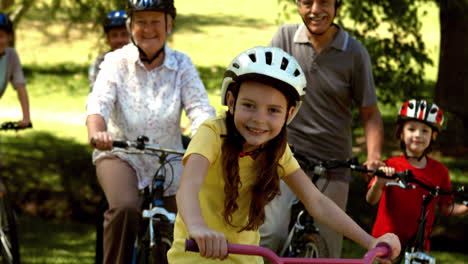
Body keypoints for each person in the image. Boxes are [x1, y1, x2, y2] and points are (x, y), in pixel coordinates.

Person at [167, 46, 400, 264]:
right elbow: (188, 186)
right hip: (195, 253)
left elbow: (316, 201)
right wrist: (198, 228)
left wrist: (371, 241)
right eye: (249, 105)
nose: (259, 119)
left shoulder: (275, 149)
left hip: (246, 259)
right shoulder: (213, 133)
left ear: (289, 113)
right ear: (231, 101)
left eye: (273, 111)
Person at [85, 0, 215, 263]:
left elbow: (200, 108)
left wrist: (204, 134)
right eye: (140, 21)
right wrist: (98, 132)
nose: (148, 29)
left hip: (170, 155)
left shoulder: (182, 64)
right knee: (123, 208)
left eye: (155, 21)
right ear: (130, 25)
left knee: (186, 218)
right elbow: (98, 104)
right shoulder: (115, 61)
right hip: (120, 153)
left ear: (169, 24)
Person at [259, 0, 385, 258]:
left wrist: (373, 156)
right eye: (307, 2)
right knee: (270, 234)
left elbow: (370, 113)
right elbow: (262, 91)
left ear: (337, 5)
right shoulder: (284, 38)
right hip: (286, 156)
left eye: (325, 2)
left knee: (327, 249)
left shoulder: (354, 53)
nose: (316, 10)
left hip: (334, 165)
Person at [366, 99, 468, 263]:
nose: (418, 135)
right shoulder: (390, 165)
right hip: (385, 241)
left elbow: (446, 207)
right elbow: (371, 199)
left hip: (418, 244)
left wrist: (465, 207)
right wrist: (379, 182)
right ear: (401, 133)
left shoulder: (440, 171)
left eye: (425, 131)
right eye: (411, 129)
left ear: (433, 135)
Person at [0, 13, 31, 127]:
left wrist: (26, 117)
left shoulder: (11, 56)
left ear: (9, 37)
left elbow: (20, 87)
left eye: (1, 36)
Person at [88, 10, 129, 90]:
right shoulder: (99, 63)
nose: (119, 40)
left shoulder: (143, 62)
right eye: (114, 35)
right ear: (108, 39)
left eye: (124, 35)